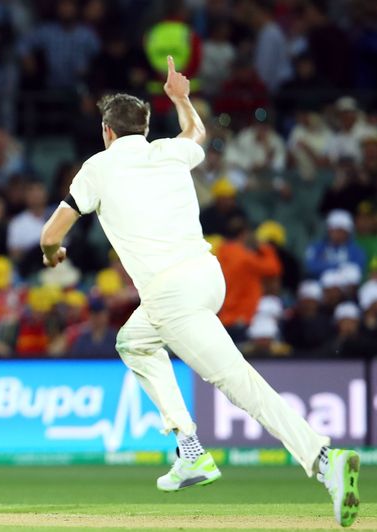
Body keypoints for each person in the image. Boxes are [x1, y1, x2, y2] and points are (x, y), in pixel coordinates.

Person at [37, 57, 359, 527]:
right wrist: (182, 98)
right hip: (207, 277)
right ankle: (188, 447)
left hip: (171, 295)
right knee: (133, 341)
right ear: (145, 128)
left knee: (240, 385)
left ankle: (324, 459)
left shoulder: (97, 167)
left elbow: (50, 233)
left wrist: (53, 256)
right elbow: (197, 133)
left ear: (106, 130)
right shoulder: (169, 151)